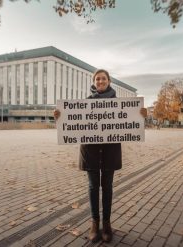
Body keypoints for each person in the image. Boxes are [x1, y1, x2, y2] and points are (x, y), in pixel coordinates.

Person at [54, 69, 147, 243]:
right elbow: (69, 123)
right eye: (97, 79)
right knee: (93, 186)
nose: (100, 81)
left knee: (108, 187)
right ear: (94, 82)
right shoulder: (85, 103)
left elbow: (132, 123)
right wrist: (59, 117)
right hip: (91, 150)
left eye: (103, 78)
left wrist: (142, 116)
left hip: (110, 150)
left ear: (109, 81)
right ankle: (95, 223)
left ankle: (107, 223)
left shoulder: (119, 104)